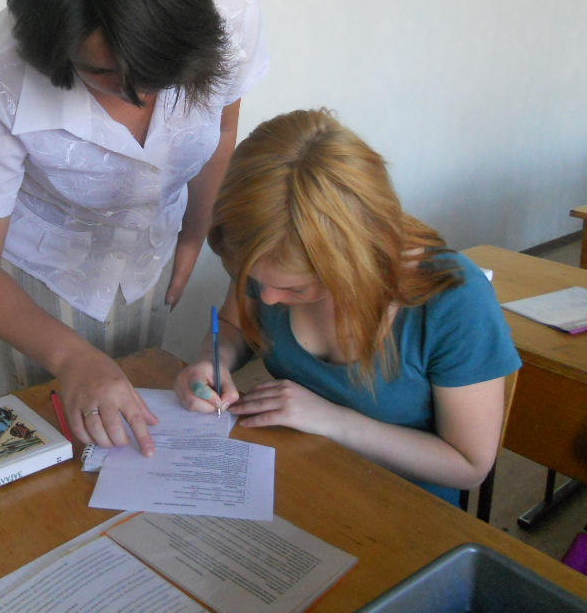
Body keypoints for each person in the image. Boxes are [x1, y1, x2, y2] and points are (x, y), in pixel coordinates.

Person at [0, 0, 268, 457]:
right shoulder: (2, 72)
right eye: (104, 74)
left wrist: (195, 232)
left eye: (160, 71)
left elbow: (221, 132)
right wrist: (70, 357)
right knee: (66, 438)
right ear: (55, 51)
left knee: (138, 413)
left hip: (154, 245)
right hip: (46, 274)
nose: (138, 96)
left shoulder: (228, 4)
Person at [174, 109, 520, 504]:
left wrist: (332, 420)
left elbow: (470, 465)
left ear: (352, 259)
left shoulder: (454, 300)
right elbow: (235, 326)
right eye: (254, 280)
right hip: (297, 477)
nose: (267, 298)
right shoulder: (269, 256)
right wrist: (211, 361)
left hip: (403, 507)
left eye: (295, 288)